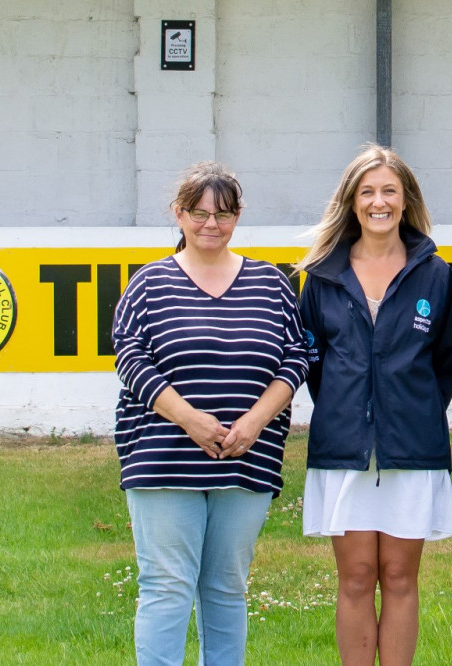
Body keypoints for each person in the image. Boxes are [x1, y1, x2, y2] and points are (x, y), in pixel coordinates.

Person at [112, 162, 308, 666]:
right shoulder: (149, 284)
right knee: (166, 585)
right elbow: (131, 360)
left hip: (247, 456)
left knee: (225, 587)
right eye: (198, 213)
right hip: (163, 458)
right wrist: (190, 420)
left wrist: (255, 422)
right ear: (178, 215)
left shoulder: (271, 283)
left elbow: (295, 358)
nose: (210, 225)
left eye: (223, 214)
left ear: (238, 216)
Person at [294, 144, 452, 665]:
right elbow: (314, 366)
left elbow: (447, 364)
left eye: (389, 191)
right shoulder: (321, 277)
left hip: (411, 451)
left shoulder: (434, 274)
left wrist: (404, 414)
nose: (379, 202)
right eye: (367, 192)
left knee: (398, 576)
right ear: (351, 202)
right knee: (355, 577)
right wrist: (353, 415)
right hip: (342, 450)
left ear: (406, 199)